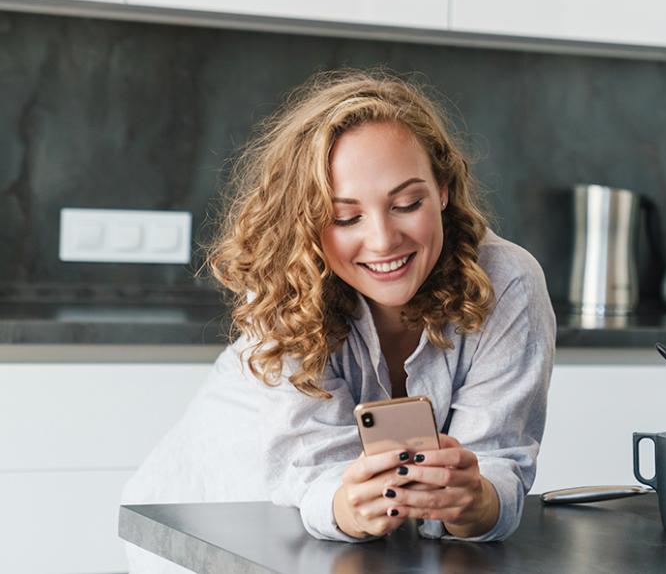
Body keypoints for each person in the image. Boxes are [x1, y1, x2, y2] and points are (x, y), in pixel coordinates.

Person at [122, 69, 555, 568]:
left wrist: (475, 501)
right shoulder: (286, 289)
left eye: (407, 203)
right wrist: (347, 505)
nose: (383, 239)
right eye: (346, 217)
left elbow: (497, 463)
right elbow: (315, 475)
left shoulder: (508, 282)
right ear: (308, 221)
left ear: (443, 189)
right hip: (210, 525)